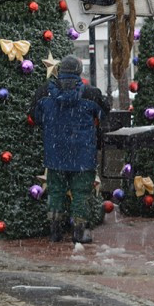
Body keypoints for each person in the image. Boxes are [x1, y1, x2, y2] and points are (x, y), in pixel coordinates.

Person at [30, 55, 105, 244]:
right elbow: (104, 114)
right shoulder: (91, 93)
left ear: (60, 70)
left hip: (55, 154)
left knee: (55, 191)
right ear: (79, 71)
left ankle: (55, 232)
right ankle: (79, 232)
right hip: (83, 155)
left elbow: (36, 117)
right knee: (80, 193)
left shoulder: (44, 93)